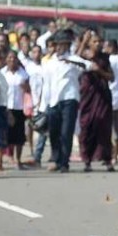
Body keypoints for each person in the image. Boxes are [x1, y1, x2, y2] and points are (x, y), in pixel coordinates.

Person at [41, 29, 83, 173]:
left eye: (63, 44)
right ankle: (56, 158)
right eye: (57, 44)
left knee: (66, 132)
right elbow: (46, 85)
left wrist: (71, 60)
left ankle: (64, 162)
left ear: (67, 45)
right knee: (54, 132)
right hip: (53, 101)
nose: (60, 47)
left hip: (69, 100)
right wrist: (42, 106)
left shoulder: (74, 60)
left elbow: (87, 66)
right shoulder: (49, 63)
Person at [75, 30, 115, 172]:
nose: (97, 44)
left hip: (102, 97)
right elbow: (77, 55)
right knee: (87, 127)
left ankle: (107, 159)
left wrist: (99, 71)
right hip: (88, 97)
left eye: (99, 41)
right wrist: (84, 40)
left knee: (104, 127)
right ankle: (87, 160)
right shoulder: (85, 56)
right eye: (94, 42)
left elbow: (111, 77)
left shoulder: (105, 58)